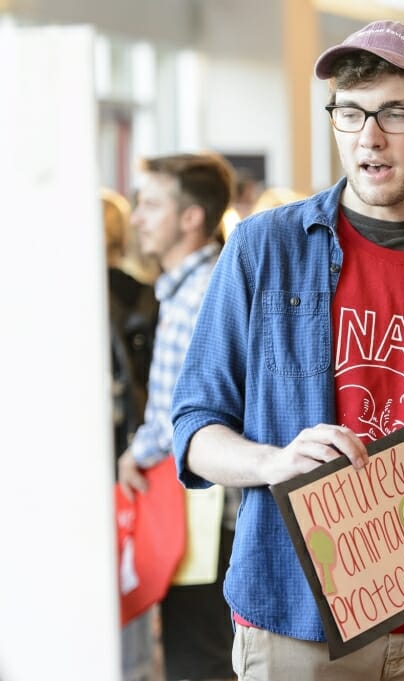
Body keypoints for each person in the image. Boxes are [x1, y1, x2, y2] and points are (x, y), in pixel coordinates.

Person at [170, 20, 404, 681]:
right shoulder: (264, 250)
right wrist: (276, 460)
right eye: (350, 112)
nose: (368, 136)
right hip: (296, 620)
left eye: (395, 112)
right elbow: (195, 428)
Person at [116, 152, 237, 681]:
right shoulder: (201, 283)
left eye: (151, 204)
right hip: (211, 510)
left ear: (190, 218)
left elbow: (179, 411)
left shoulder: (198, 293)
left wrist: (134, 454)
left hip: (205, 514)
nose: (137, 217)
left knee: (199, 659)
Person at [103, 187, 160, 681]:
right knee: (131, 564)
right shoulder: (145, 293)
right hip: (138, 453)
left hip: (108, 453)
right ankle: (136, 667)